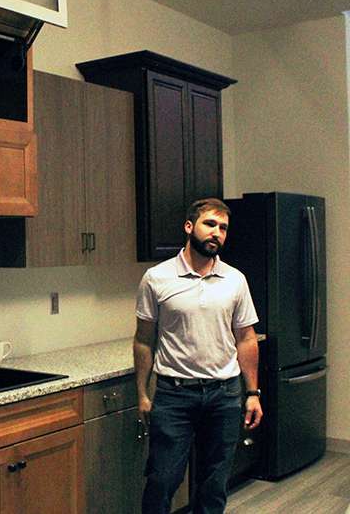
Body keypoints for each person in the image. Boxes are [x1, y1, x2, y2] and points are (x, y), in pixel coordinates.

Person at [134, 198, 263, 514]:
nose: (217, 233)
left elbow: (246, 339)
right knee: (162, 480)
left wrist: (253, 393)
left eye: (223, 228)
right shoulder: (157, 278)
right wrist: (142, 394)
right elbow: (143, 340)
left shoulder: (235, 279)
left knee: (213, 485)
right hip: (174, 396)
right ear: (189, 227)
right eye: (210, 224)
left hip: (225, 395)